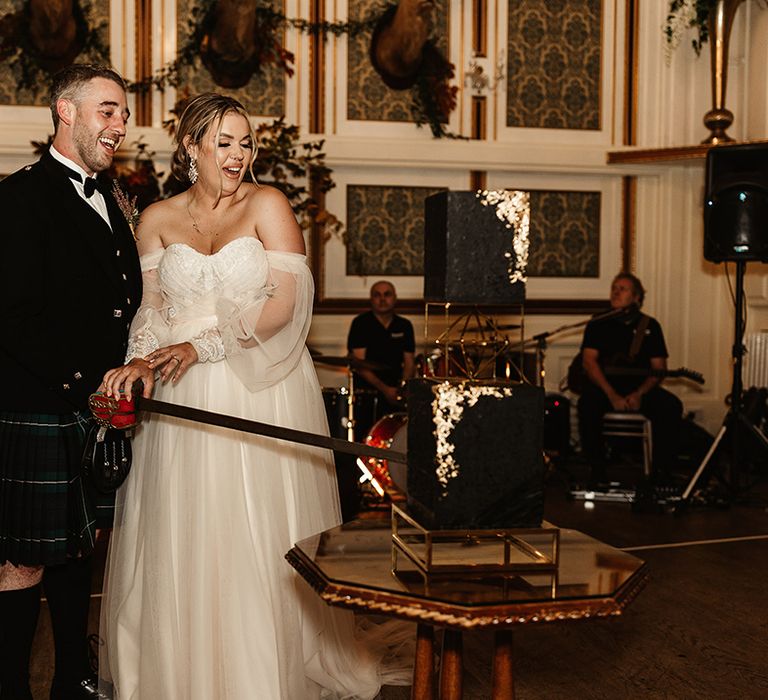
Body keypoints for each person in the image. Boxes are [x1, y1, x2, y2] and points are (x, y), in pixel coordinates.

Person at [98, 93, 411, 699]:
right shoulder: (157, 217)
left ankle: (257, 671)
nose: (239, 155)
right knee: (180, 530)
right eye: (224, 143)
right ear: (191, 147)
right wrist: (142, 357)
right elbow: (152, 310)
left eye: (245, 142)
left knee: (248, 530)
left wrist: (203, 348)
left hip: (254, 386)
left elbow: (284, 306)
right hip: (178, 398)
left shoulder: (268, 204)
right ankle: (178, 668)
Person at [0, 64, 143, 699]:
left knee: (79, 547)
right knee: (23, 556)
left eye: (124, 115)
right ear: (66, 111)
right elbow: (13, 316)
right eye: (107, 111)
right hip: (39, 399)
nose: (119, 125)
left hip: (96, 406)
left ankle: (71, 678)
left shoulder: (114, 199)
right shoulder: (19, 196)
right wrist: (87, 381)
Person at [577, 272, 683, 486]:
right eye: (614, 288)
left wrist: (639, 394)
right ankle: (597, 471)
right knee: (587, 404)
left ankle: (661, 473)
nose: (616, 292)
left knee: (671, 406)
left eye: (622, 289)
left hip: (640, 387)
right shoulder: (597, 323)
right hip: (605, 386)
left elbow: (659, 368)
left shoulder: (650, 326)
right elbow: (589, 362)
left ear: (636, 297)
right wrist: (612, 395)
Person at [347, 280, 416, 419]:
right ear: (371, 299)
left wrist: (401, 390)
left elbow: (409, 362)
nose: (382, 299)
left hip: (396, 392)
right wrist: (385, 390)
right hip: (367, 393)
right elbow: (359, 364)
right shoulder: (361, 323)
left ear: (395, 298)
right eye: (377, 295)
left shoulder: (405, 325)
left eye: (387, 294)